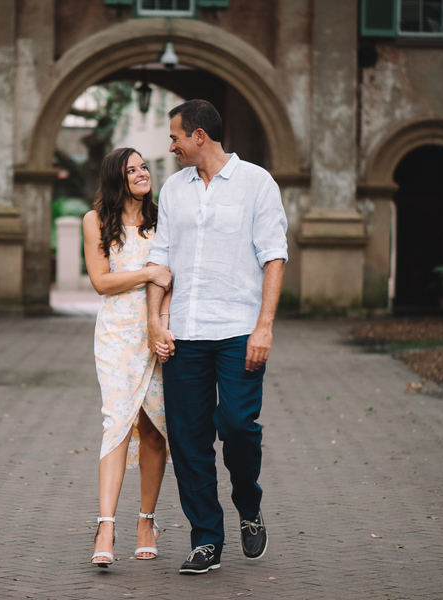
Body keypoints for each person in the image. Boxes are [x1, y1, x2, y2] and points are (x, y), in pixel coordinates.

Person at [146, 99, 288, 575]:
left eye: (176, 137)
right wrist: (155, 322)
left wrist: (264, 326)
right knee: (187, 440)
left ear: (200, 136)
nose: (172, 146)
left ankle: (248, 505)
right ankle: (206, 538)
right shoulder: (173, 189)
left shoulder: (256, 183)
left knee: (237, 426)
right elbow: (160, 263)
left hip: (238, 332)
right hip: (184, 333)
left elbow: (274, 256)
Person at [83, 147, 173, 568]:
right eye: (130, 169)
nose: (141, 174)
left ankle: (146, 522)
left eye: (143, 167)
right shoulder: (96, 221)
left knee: (155, 429)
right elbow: (101, 281)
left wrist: (163, 325)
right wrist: (147, 272)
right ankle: (105, 525)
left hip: (157, 336)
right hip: (118, 337)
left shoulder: (163, 219)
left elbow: (173, 277)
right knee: (117, 424)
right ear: (116, 178)